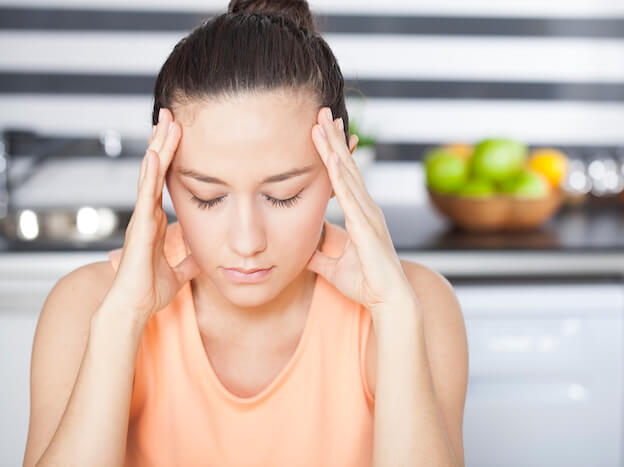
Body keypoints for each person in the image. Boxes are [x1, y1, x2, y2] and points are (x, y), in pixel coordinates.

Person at [22, 1, 469, 466]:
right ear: (163, 179)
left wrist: (394, 314)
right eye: (207, 197)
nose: (246, 241)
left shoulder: (415, 303)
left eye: (283, 195)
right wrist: (123, 318)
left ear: (344, 172)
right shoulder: (88, 304)